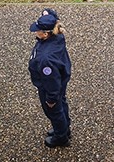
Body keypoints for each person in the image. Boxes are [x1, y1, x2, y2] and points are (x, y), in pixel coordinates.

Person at [28, 8, 72, 149]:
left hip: (50, 87)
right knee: (62, 104)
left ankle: (61, 137)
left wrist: (51, 99)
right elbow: (52, 15)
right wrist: (47, 13)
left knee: (54, 111)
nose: (36, 32)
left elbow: (51, 81)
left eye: (38, 30)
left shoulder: (46, 59)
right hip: (61, 80)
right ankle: (65, 129)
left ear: (45, 34)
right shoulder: (57, 35)